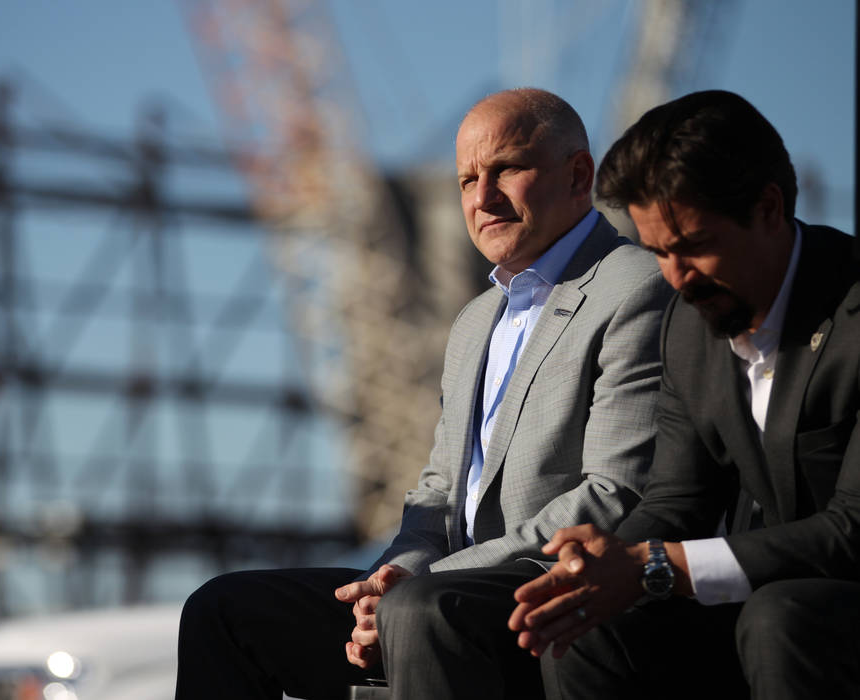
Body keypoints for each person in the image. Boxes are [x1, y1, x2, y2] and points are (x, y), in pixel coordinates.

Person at [176, 88, 672, 700]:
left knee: (421, 613)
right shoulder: (474, 322)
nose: (482, 198)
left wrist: (420, 584)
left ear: (578, 175)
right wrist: (394, 576)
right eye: (466, 180)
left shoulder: (635, 288)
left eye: (506, 170)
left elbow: (611, 496)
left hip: (547, 590)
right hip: (439, 590)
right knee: (224, 610)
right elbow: (437, 494)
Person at [509, 90, 860, 700]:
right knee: (591, 624)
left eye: (694, 245)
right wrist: (604, 564)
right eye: (657, 253)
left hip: (825, 612)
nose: (676, 277)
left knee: (781, 618)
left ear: (769, 208)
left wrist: (652, 567)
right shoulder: (689, 325)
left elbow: (850, 532)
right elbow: (678, 499)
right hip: (759, 603)